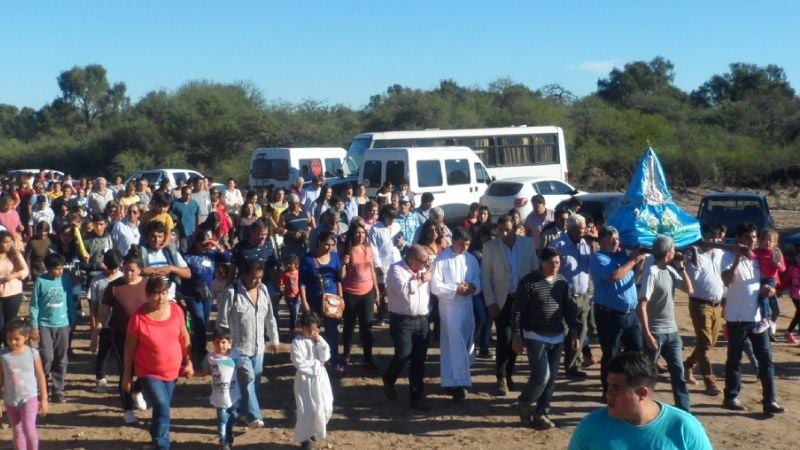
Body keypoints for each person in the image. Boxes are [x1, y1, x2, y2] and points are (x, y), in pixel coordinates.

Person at [567, 352, 713, 450]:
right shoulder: (591, 425)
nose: (608, 393)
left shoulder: (683, 427)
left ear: (642, 393)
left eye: (617, 388)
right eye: (609, 385)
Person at [512, 247, 581, 429]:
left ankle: (542, 412)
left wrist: (574, 330)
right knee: (542, 375)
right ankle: (525, 401)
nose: (555, 266)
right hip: (535, 334)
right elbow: (518, 311)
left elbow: (569, 307)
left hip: (557, 335)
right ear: (542, 262)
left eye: (557, 262)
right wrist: (516, 336)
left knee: (551, 379)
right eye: (551, 262)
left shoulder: (561, 282)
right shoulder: (528, 282)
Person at [123, 277, 194, 450]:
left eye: (164, 293)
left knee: (162, 408)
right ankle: (163, 445)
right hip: (148, 371)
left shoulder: (176, 310)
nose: (161, 298)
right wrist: (127, 375)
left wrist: (189, 361)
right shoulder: (138, 318)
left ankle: (156, 435)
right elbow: (129, 348)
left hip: (172, 369)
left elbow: (184, 337)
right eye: (156, 294)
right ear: (147, 295)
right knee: (162, 406)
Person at [721, 223, 785, 414]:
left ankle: (770, 400)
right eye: (748, 237)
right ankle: (731, 396)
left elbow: (772, 281)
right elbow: (727, 280)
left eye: (755, 237)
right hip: (737, 317)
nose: (753, 241)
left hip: (758, 318)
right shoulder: (727, 256)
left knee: (766, 359)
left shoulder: (758, 258)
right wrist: (737, 260)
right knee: (735, 359)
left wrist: (771, 290)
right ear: (739, 238)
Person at [217, 260, 279, 428]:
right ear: (244, 275)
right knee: (248, 378)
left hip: (258, 347)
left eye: (260, 277)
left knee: (254, 381)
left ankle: (243, 413)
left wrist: (274, 339)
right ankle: (254, 416)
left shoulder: (264, 290)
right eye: (254, 278)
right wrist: (224, 346)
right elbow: (222, 322)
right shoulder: (231, 293)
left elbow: (270, 317)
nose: (257, 281)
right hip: (238, 348)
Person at [481, 215, 538, 396]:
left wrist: (533, 298)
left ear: (515, 228)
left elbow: (535, 271)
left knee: (517, 338)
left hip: (522, 300)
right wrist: (490, 301)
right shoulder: (490, 247)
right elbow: (486, 277)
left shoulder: (527, 244)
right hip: (502, 300)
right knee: (504, 338)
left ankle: (509, 373)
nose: (504, 233)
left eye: (507, 229)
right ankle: (501, 377)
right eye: (500, 229)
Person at [636, 235, 693, 412]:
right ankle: (640, 406)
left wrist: (681, 267)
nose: (676, 252)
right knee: (647, 374)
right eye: (674, 249)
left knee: (678, 373)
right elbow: (642, 305)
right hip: (656, 332)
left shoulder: (671, 271)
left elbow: (689, 289)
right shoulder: (652, 272)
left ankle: (685, 410)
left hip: (672, 332)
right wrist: (647, 333)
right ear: (668, 252)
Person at [590, 225, 646, 398]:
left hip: (630, 314)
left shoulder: (622, 255)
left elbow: (635, 275)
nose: (615, 242)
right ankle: (608, 391)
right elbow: (614, 277)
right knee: (611, 354)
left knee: (636, 351)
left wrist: (639, 261)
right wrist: (632, 261)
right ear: (601, 241)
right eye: (611, 239)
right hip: (609, 315)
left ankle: (631, 385)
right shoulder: (599, 258)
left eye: (617, 238)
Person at [94, 250, 149, 423]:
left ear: (140, 270)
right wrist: (98, 328)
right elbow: (104, 310)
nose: (129, 274)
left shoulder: (147, 285)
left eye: (132, 270)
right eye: (125, 270)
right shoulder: (114, 287)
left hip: (144, 335)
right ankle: (127, 410)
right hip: (120, 334)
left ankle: (137, 390)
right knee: (126, 371)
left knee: (145, 369)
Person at [431, 226, 481, 401]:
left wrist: (472, 287)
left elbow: (477, 280)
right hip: (449, 305)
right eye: (462, 244)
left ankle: (453, 380)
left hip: (467, 305)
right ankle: (458, 383)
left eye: (468, 245)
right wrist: (455, 289)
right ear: (453, 241)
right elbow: (435, 286)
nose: (465, 248)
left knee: (465, 341)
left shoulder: (471, 260)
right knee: (454, 341)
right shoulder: (441, 259)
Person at [382, 244, 433, 411]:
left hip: (422, 320)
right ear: (412, 260)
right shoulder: (395, 270)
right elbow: (406, 290)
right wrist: (422, 278)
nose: (427, 264)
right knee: (403, 354)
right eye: (424, 261)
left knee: (419, 360)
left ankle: (416, 396)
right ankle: (389, 377)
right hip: (402, 321)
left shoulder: (424, 269)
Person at [683, 224, 726, 396]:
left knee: (709, 342)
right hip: (700, 304)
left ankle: (689, 364)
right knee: (706, 341)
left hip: (717, 304)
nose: (713, 241)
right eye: (709, 238)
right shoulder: (693, 254)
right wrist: (693, 255)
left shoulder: (720, 253)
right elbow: (694, 276)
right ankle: (710, 381)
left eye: (716, 238)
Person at [549, 214, 593, 379]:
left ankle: (573, 366)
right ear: (572, 229)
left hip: (583, 296)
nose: (583, 233)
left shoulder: (586, 245)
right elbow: (551, 271)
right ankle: (551, 364)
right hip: (564, 296)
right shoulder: (558, 244)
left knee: (580, 332)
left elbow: (588, 268)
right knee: (564, 332)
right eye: (581, 230)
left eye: (584, 229)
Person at [30, 253, 74, 404]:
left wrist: (72, 319)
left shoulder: (66, 280)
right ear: (49, 268)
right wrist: (34, 326)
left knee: (61, 358)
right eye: (56, 269)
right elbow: (34, 305)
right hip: (45, 325)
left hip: (63, 324)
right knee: (47, 356)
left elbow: (69, 301)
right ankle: (42, 386)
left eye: (61, 268)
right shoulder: (40, 281)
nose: (60, 271)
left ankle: (58, 389)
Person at [0, 318, 49, 450]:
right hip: (10, 400)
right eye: (9, 338)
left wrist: (44, 399)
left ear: (26, 337)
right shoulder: (3, 355)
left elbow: (40, 376)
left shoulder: (33, 353)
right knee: (17, 431)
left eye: (16, 339)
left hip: (29, 398)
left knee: (29, 428)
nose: (12, 342)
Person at [300, 231, 344, 373]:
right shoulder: (307, 258)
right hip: (314, 299)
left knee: (332, 332)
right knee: (313, 331)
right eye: (327, 244)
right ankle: (316, 361)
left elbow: (338, 280)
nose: (329, 248)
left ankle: (334, 361)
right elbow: (302, 282)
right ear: (319, 242)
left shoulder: (335, 257)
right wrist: (304, 301)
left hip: (331, 301)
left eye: (332, 245)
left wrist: (341, 298)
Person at [182, 233, 232, 361]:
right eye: (203, 243)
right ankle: (201, 350)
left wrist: (217, 246)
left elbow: (228, 257)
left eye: (207, 243)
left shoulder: (211, 254)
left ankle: (197, 345)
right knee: (199, 322)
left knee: (204, 322)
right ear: (196, 243)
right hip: (192, 294)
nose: (205, 246)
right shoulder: (187, 256)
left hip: (207, 294)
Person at [340, 222, 380, 375]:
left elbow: (372, 271)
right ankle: (346, 354)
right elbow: (341, 276)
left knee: (367, 327)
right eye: (357, 233)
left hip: (367, 292)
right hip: (350, 292)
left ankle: (368, 359)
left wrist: (376, 291)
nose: (360, 235)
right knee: (349, 326)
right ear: (352, 234)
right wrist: (344, 264)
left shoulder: (368, 249)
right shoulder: (346, 249)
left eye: (363, 233)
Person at [292, 311, 334, 449]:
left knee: (325, 405)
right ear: (302, 327)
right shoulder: (297, 342)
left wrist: (319, 341)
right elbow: (299, 363)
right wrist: (317, 364)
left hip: (321, 379)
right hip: (305, 381)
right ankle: (304, 438)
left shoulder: (319, 340)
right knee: (306, 410)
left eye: (315, 330)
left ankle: (315, 429)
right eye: (308, 329)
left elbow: (326, 356)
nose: (311, 332)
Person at [197, 328, 241, 450]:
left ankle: (229, 432)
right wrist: (191, 373)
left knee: (235, 416)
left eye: (223, 342)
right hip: (219, 396)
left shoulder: (235, 355)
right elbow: (204, 372)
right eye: (217, 342)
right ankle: (223, 442)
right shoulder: (210, 358)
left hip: (234, 395)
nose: (220, 345)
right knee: (222, 420)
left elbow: (241, 370)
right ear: (213, 343)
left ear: (230, 343)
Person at [87, 250, 122, 394]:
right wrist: (94, 331)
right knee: (103, 353)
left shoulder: (123, 278)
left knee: (121, 354)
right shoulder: (97, 281)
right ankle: (100, 379)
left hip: (120, 323)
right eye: (110, 267)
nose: (113, 271)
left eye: (115, 268)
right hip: (104, 324)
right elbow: (93, 307)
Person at [369, 205, 403, 326]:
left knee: (397, 288)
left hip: (396, 262)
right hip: (383, 264)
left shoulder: (397, 226)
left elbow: (400, 244)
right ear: (384, 216)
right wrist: (378, 265)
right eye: (390, 217)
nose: (392, 220)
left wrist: (401, 244)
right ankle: (381, 316)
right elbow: (373, 249)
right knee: (382, 291)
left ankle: (395, 314)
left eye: (394, 218)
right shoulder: (375, 229)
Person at [752, 228, 785, 335]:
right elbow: (750, 257)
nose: (768, 242)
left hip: (771, 279)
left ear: (775, 242)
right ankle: (769, 322)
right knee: (763, 300)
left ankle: (766, 319)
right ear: (760, 241)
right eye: (765, 240)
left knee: (764, 293)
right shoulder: (757, 252)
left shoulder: (776, 252)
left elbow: (783, 269)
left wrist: (778, 265)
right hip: (758, 279)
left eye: (771, 240)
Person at [0, 230, 29, 344]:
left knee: (9, 323)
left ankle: (8, 346)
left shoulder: (14, 254)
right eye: (5, 242)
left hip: (13, 292)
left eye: (9, 242)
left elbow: (25, 270)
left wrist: (13, 275)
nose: (8, 245)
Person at [279, 194, 314, 260]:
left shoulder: (305, 213)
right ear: (289, 203)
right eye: (293, 203)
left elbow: (310, 225)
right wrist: (292, 234)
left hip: (304, 244)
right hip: (291, 245)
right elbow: (280, 231)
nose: (296, 205)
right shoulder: (284, 215)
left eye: (297, 203)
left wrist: (308, 232)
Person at [170, 185, 200, 253]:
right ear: (182, 194)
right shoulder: (175, 204)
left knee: (193, 249)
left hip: (192, 232)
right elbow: (171, 215)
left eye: (189, 194)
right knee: (184, 250)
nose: (187, 197)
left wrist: (197, 228)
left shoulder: (194, 203)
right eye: (186, 194)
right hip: (181, 232)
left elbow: (197, 216)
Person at [281, 255, 302, 335]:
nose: (289, 265)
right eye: (288, 264)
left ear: (296, 264)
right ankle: (292, 328)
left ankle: (295, 325)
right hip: (289, 296)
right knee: (293, 312)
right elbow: (282, 283)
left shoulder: (299, 273)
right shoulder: (286, 274)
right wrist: (283, 292)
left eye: (291, 264)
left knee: (296, 312)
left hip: (298, 296)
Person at [784, 245, 800, 343]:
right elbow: (787, 280)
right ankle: (789, 331)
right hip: (796, 294)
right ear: (796, 258)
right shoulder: (793, 269)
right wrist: (780, 288)